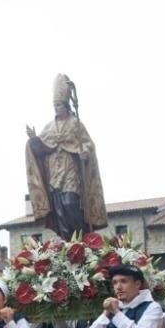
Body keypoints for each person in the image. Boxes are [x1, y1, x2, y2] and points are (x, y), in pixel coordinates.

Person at [24, 74, 108, 239]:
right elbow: (41, 148)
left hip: (71, 169)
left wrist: (85, 152)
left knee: (70, 203)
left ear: (66, 105)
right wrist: (34, 139)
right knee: (59, 209)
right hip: (54, 172)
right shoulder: (49, 127)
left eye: (59, 105)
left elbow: (88, 143)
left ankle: (82, 236)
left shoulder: (75, 123)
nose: (56, 108)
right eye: (54, 105)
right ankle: (67, 240)